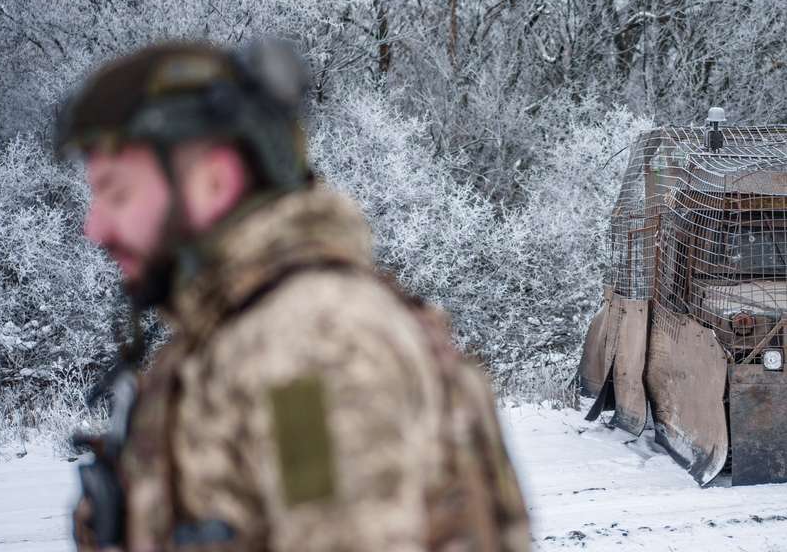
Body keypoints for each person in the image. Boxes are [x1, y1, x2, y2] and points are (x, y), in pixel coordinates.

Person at [56, 40, 530, 552]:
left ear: (213, 183)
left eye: (118, 193)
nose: (95, 227)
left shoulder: (312, 344)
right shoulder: (230, 335)